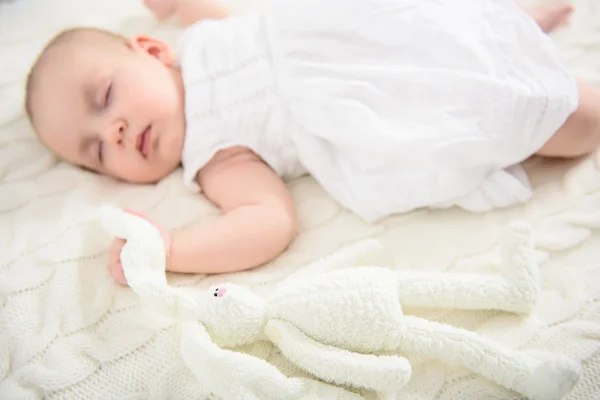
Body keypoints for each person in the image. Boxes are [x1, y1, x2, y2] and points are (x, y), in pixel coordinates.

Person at [24, 0, 599, 285]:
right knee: (563, 118)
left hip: (376, 25)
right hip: (391, 101)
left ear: (151, 50)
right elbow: (268, 221)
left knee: (464, 23)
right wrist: (170, 248)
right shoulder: (214, 154)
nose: (114, 132)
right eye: (97, 150)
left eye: (104, 98)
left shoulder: (201, 35)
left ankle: (521, 20)